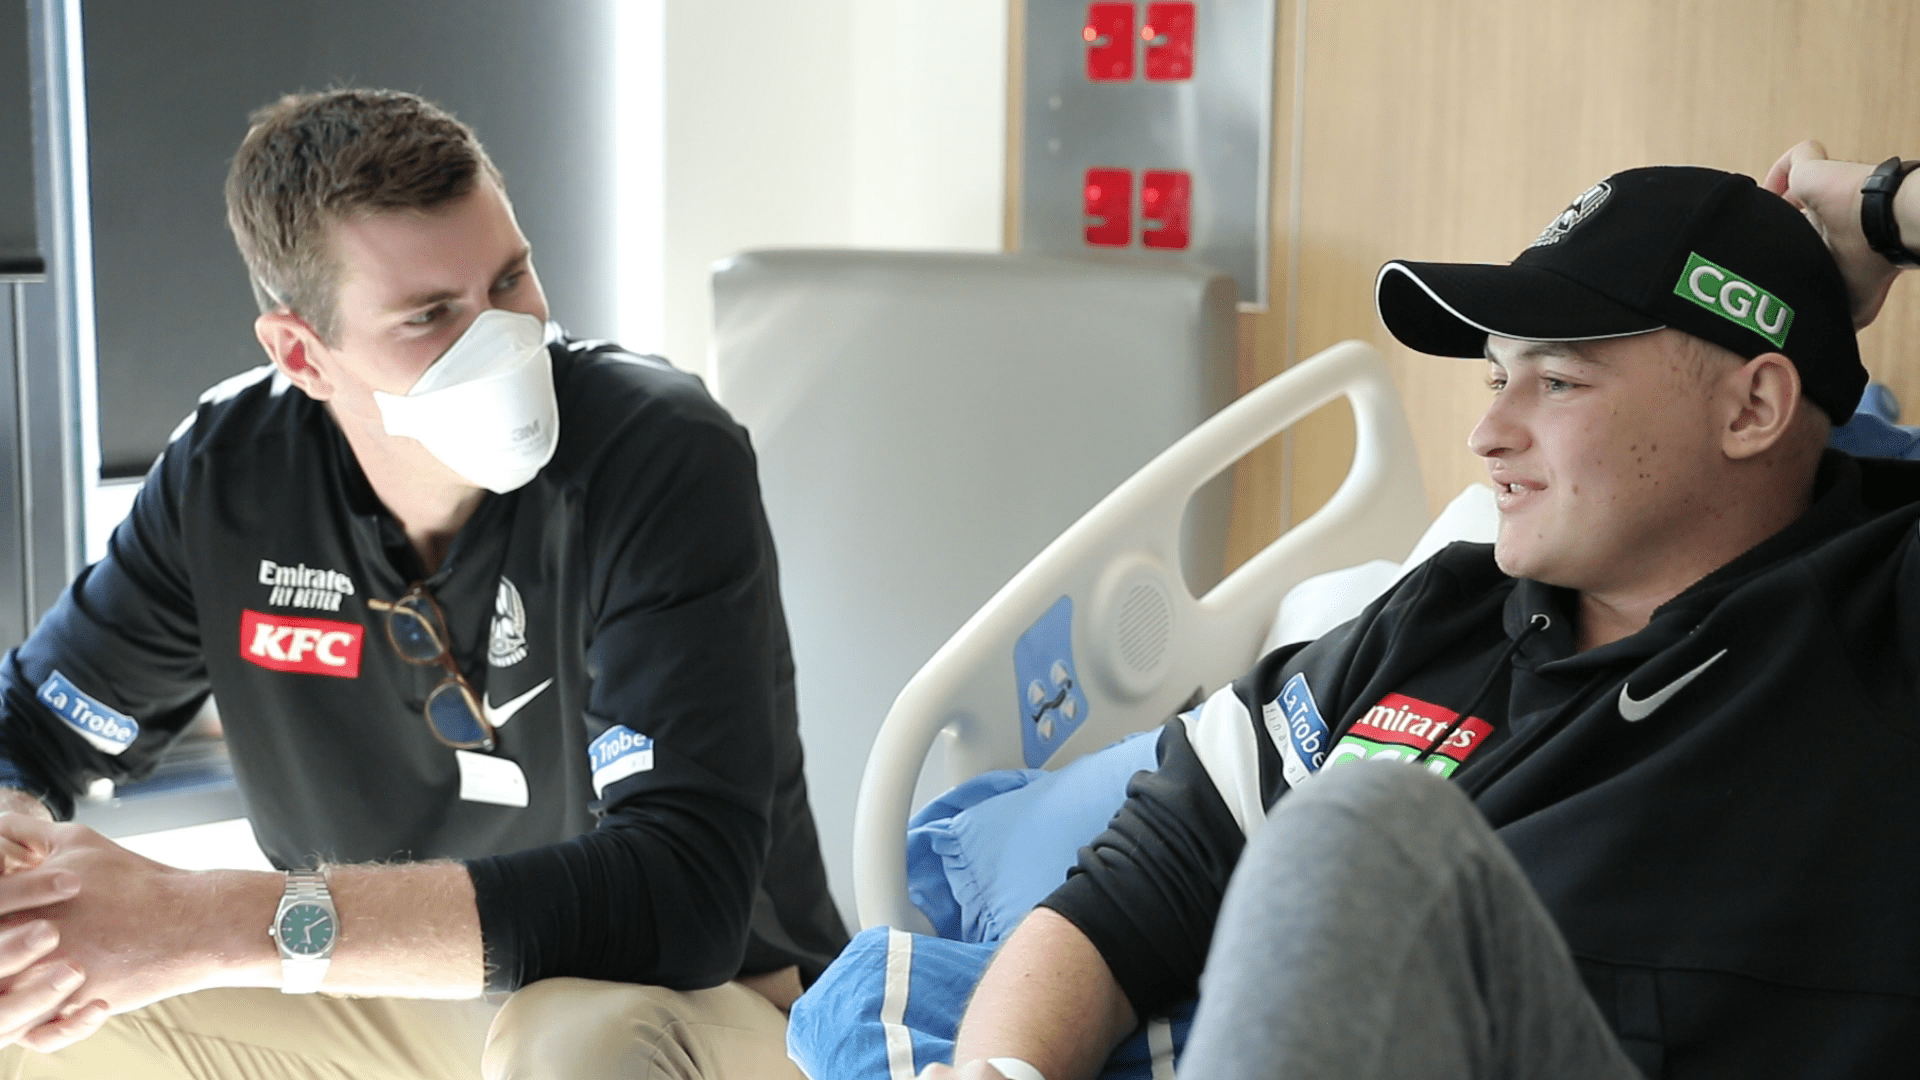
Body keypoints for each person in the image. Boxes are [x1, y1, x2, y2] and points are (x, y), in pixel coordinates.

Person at [925, 152, 1920, 1079]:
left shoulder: (1880, 611)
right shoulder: (1444, 614)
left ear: (1751, 410)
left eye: (1557, 381)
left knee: (1361, 832)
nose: (1488, 432)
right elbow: (1138, 888)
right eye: (1497, 377)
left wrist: (1882, 208)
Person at [0, 89, 846, 1079]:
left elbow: (683, 896)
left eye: (510, 279)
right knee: (35, 990)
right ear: (302, 354)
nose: (504, 337)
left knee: (569, 1040)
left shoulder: (657, 454)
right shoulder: (228, 478)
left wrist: (213, 921)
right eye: (431, 316)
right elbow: (32, 727)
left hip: (705, 1008)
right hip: (401, 1002)